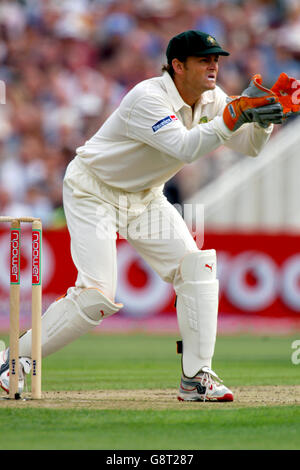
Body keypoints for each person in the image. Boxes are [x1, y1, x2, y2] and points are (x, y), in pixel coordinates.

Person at [0, 30, 291, 401]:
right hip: (94, 190)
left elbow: (248, 147)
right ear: (177, 66)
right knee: (96, 296)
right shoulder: (148, 98)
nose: (214, 66)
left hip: (144, 197)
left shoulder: (212, 99)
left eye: (216, 59)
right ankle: (12, 361)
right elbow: (184, 149)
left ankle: (195, 379)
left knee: (197, 268)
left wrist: (264, 119)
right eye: (205, 59)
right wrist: (234, 115)